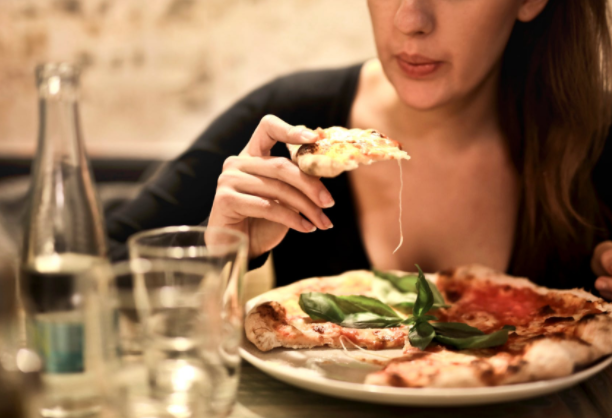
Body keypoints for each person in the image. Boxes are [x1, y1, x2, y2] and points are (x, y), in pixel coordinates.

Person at [107, 0, 612, 298]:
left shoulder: (600, 138)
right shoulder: (289, 121)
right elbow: (88, 269)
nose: (411, 19)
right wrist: (216, 253)